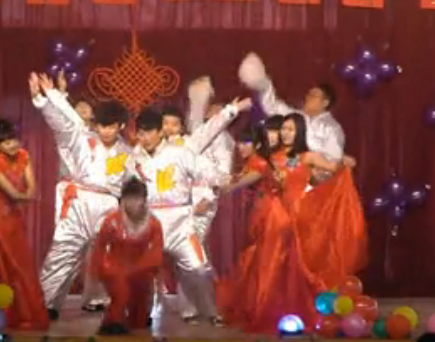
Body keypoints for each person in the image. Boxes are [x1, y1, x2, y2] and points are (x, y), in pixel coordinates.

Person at [218, 113, 366, 333]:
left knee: (295, 263)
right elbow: (253, 176)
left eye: (290, 129)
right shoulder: (271, 157)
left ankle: (293, 306)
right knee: (272, 261)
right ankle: (270, 307)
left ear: (299, 132)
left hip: (300, 213)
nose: (285, 133)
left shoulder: (307, 156)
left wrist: (342, 162)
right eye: (283, 129)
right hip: (276, 214)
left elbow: (333, 170)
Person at [30, 73, 131, 320]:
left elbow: (137, 182)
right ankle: (46, 304)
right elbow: (62, 123)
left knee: (112, 256)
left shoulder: (128, 153)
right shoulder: (83, 139)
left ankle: (118, 305)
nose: (105, 131)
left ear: (121, 126)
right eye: (101, 126)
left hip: (109, 205)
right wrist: (43, 101)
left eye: (111, 126)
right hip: (78, 201)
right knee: (63, 250)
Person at [125, 107, 230, 326]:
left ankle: (211, 312)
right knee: (142, 270)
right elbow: (128, 191)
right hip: (148, 221)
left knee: (199, 267)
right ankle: (141, 313)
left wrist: (210, 195)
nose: (145, 138)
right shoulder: (133, 160)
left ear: (160, 132)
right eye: (141, 133)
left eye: (149, 132)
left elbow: (211, 174)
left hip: (181, 222)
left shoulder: (180, 153)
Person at [238, 53, 356, 181]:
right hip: (290, 174)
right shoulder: (296, 117)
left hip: (317, 182)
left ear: (325, 102)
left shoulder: (332, 127)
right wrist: (264, 84)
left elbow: (334, 160)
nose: (308, 98)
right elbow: (273, 106)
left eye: (313, 95)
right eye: (308, 94)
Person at [0, 118, 49, 330]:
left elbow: (31, 186)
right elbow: (14, 194)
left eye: (14, 140)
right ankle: (2, 312)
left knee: (22, 266)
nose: (12, 145)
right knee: (0, 264)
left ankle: (26, 312)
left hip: (14, 218)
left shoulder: (24, 155)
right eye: (7, 142)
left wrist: (28, 195)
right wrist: (26, 197)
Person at [89, 178, 163, 335]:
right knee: (121, 292)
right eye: (129, 198)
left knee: (139, 320)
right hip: (114, 266)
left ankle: (137, 315)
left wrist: (143, 268)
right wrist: (98, 270)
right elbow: (100, 247)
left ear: (144, 200)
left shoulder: (153, 223)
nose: (133, 203)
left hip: (141, 267)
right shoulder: (111, 221)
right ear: (123, 200)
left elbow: (156, 251)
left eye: (137, 198)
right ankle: (112, 321)